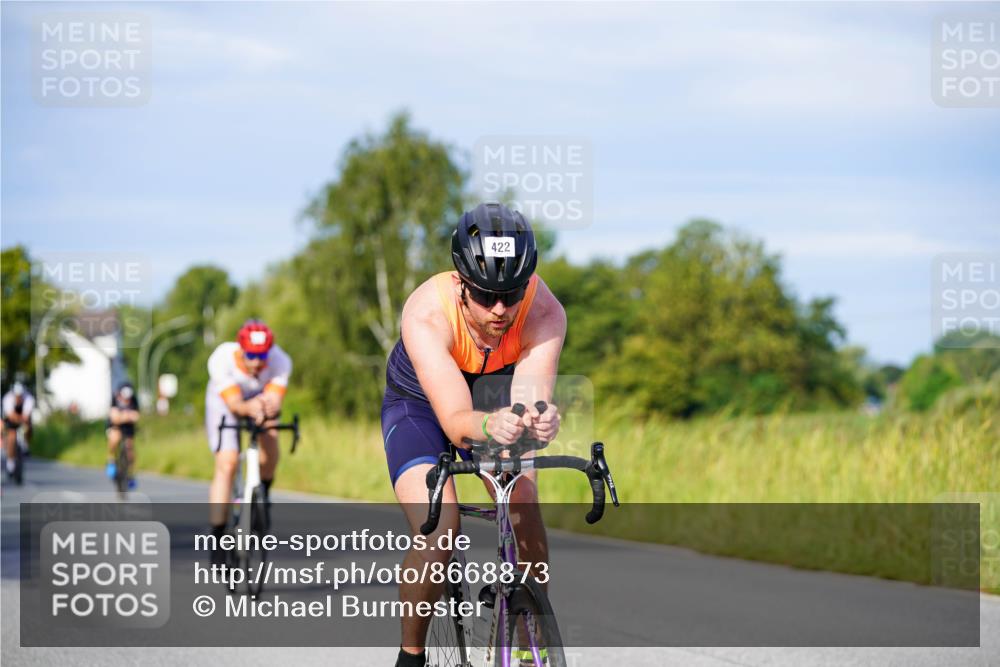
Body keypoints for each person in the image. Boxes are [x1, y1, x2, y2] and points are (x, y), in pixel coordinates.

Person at [382, 203, 566, 667]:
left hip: (493, 395)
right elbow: (454, 419)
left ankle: (528, 640)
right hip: (420, 406)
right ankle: (411, 656)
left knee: (523, 503)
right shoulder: (427, 313)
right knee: (440, 528)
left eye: (512, 293)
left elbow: (530, 401)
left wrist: (539, 421)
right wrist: (488, 425)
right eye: (486, 295)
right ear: (461, 283)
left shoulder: (544, 311)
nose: (500, 310)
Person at [204, 319, 292, 563]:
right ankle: (218, 536)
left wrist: (269, 407)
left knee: (271, 440)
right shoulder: (221, 358)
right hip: (224, 402)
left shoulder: (281, 361)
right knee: (227, 463)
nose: (256, 362)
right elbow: (234, 405)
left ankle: (263, 494)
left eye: (262, 356)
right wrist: (248, 407)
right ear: (240, 350)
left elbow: (274, 400)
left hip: (258, 400)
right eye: (251, 355)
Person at [106, 382, 140, 489]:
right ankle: (111, 461)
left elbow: (136, 416)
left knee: (130, 450)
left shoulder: (134, 400)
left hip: (128, 427)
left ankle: (130, 474)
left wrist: (122, 416)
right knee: (114, 439)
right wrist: (127, 416)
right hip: (115, 426)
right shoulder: (115, 399)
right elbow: (114, 417)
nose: (126, 400)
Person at [2, 382, 35, 477]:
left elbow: (26, 415)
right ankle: (10, 464)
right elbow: (10, 415)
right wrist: (18, 418)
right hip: (11, 420)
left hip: (23, 419)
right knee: (11, 437)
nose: (18, 398)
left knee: (29, 427)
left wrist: (23, 420)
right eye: (16, 396)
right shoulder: (7, 398)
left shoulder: (29, 398)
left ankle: (25, 445)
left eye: (20, 396)